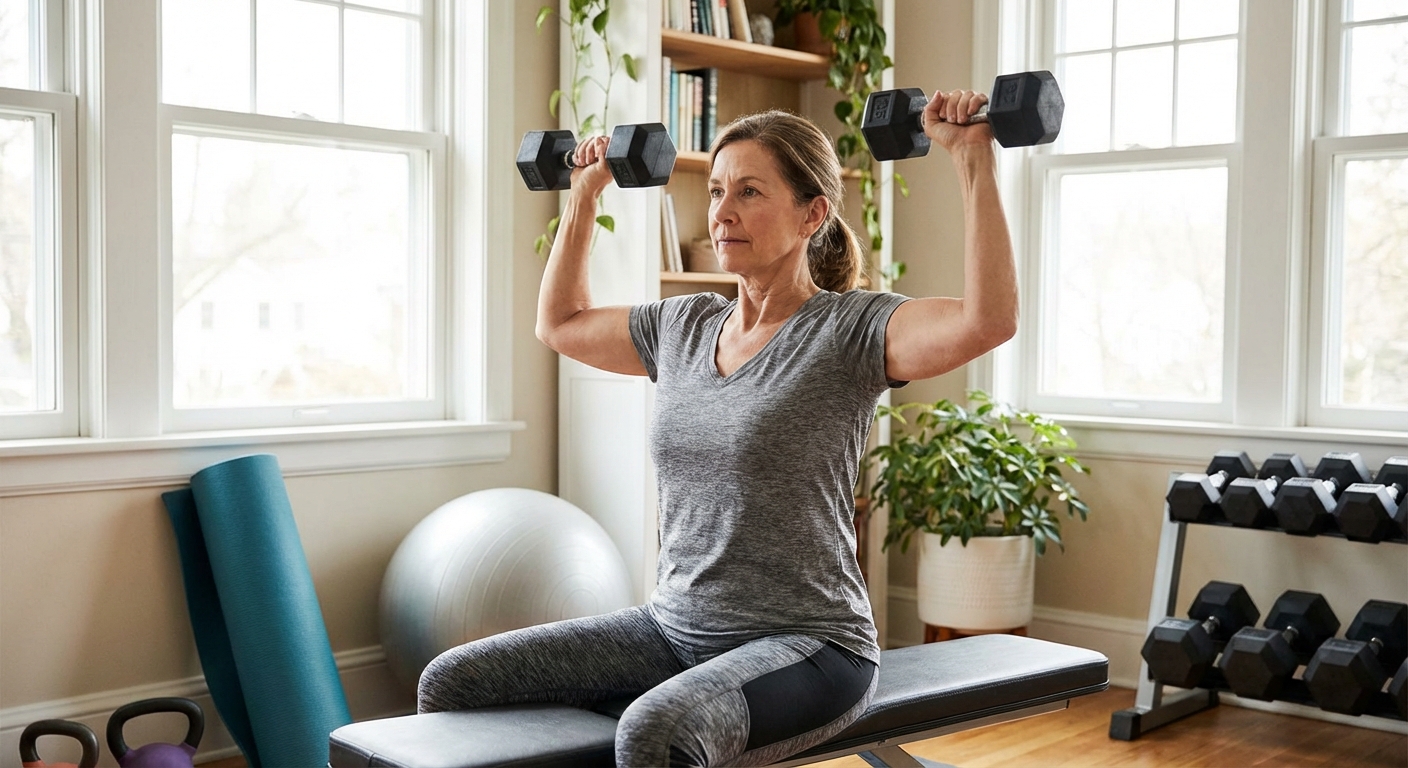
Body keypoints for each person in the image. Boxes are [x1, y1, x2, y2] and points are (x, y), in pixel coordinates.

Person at [416, 87, 1017, 767]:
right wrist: (585, 192)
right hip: (673, 628)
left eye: (751, 193)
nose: (723, 213)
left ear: (812, 213)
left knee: (655, 732)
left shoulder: (850, 330)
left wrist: (973, 159)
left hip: (809, 646)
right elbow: (559, 323)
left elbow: (986, 320)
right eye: (716, 191)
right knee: (455, 683)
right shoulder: (682, 325)